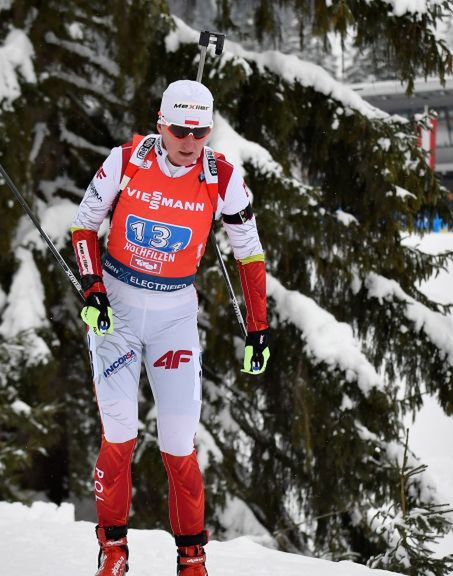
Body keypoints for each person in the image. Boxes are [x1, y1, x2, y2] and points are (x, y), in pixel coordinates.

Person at [69, 80, 269, 576]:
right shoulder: (127, 160)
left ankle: (192, 560)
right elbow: (83, 227)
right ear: (161, 123)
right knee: (119, 432)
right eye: (180, 129)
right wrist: (92, 288)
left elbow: (249, 251)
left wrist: (258, 326)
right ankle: (113, 550)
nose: (190, 140)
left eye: (201, 131)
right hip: (116, 306)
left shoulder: (221, 177)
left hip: (174, 315)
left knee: (179, 442)